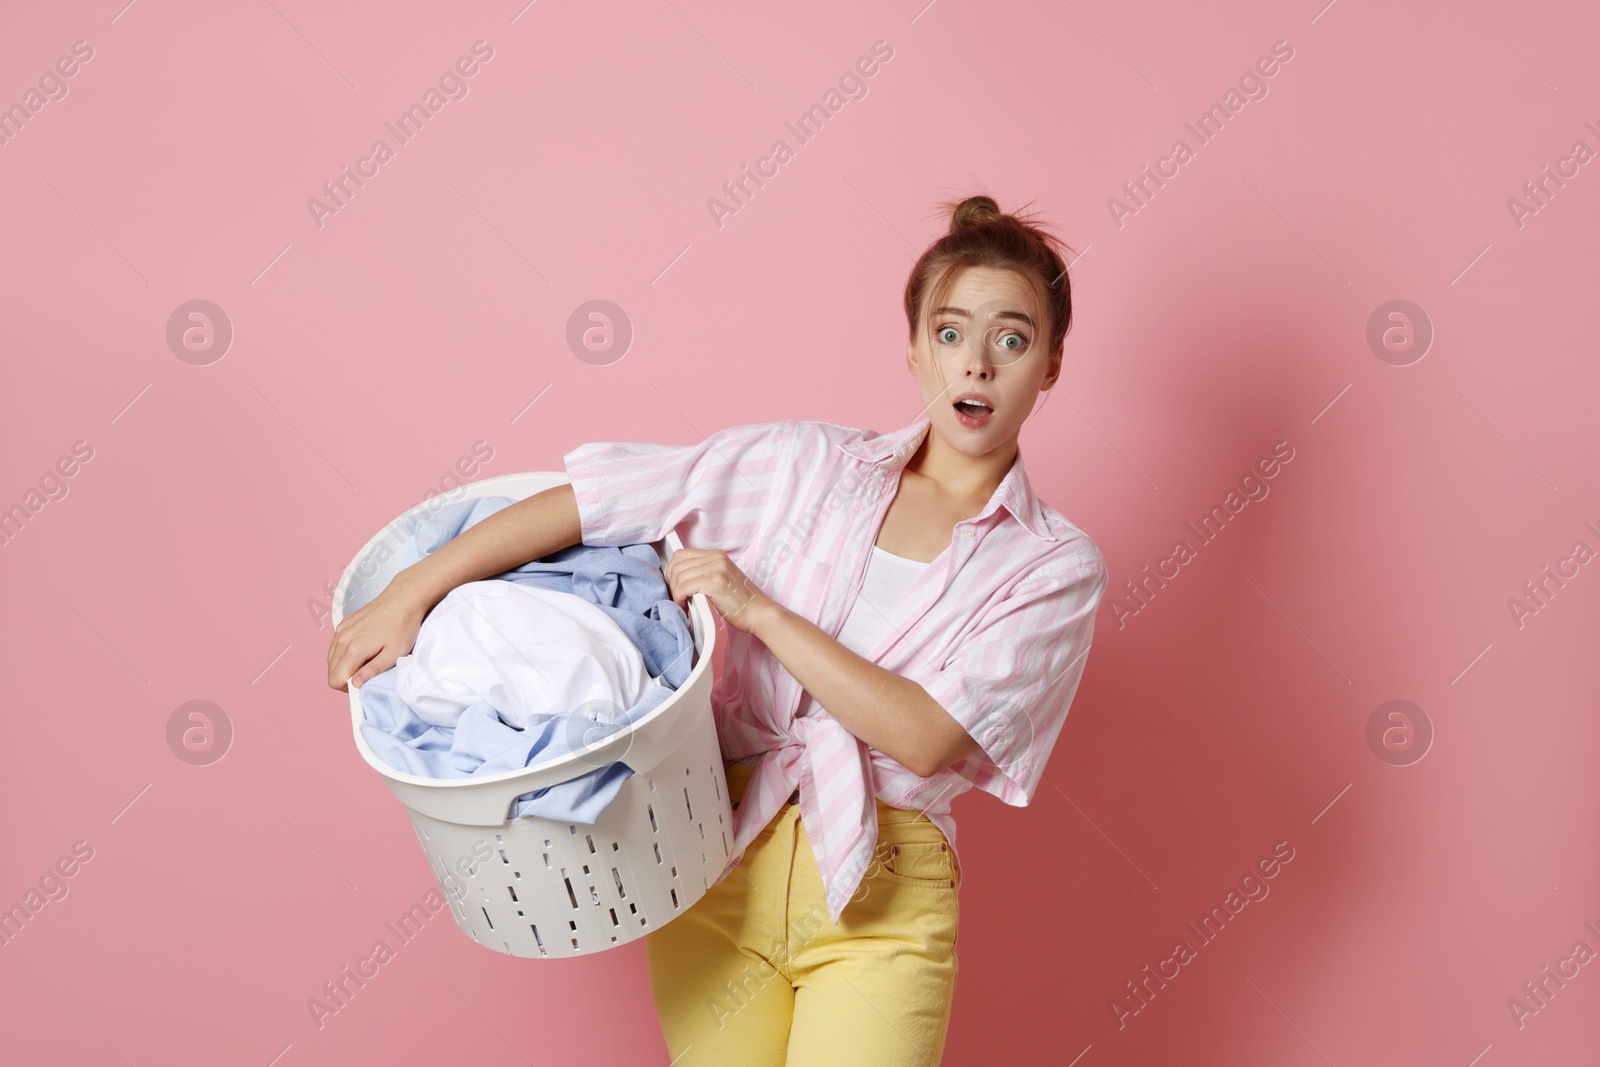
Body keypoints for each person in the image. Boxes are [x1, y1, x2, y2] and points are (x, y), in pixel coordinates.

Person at [326, 193, 1108, 1065]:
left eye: (1012, 338)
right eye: (952, 332)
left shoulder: (1053, 566)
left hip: (880, 894)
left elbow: (925, 736)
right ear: (917, 347)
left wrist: (758, 609)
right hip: (712, 855)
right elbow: (601, 501)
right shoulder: (805, 465)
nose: (978, 365)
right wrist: (412, 589)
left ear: (1051, 364)